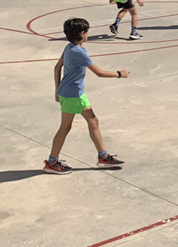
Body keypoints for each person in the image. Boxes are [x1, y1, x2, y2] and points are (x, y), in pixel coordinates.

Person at [44, 17, 128, 174]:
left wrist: (57, 90)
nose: (89, 34)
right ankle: (52, 162)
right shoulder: (79, 52)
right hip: (73, 95)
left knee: (93, 121)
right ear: (82, 34)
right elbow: (99, 73)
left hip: (72, 93)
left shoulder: (69, 47)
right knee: (66, 127)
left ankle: (103, 156)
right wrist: (119, 74)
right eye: (88, 32)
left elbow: (57, 68)